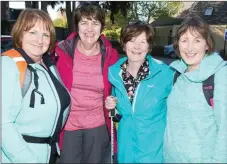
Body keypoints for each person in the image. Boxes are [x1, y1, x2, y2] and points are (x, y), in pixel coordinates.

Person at [1, 9, 71, 163]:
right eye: (33, 32)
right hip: (22, 157)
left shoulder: (48, 64)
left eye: (45, 35)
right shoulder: (9, 64)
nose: (40, 40)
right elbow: (3, 124)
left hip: (48, 154)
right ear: (20, 33)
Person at [54, 2, 119, 163]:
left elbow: (121, 89)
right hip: (68, 126)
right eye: (84, 22)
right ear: (77, 26)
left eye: (95, 23)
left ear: (101, 28)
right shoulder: (60, 51)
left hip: (97, 126)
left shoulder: (111, 55)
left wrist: (115, 102)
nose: (89, 29)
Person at [105, 21, 174, 163]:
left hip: (154, 154)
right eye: (131, 40)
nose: (137, 46)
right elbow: (119, 116)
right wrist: (112, 108)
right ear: (123, 44)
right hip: (126, 152)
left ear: (149, 46)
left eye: (143, 41)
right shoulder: (114, 74)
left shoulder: (165, 74)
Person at [163, 15, 227, 163]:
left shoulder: (219, 75)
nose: (190, 47)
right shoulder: (176, 73)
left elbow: (225, 129)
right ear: (178, 44)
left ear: (207, 44)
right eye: (184, 40)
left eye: (197, 40)